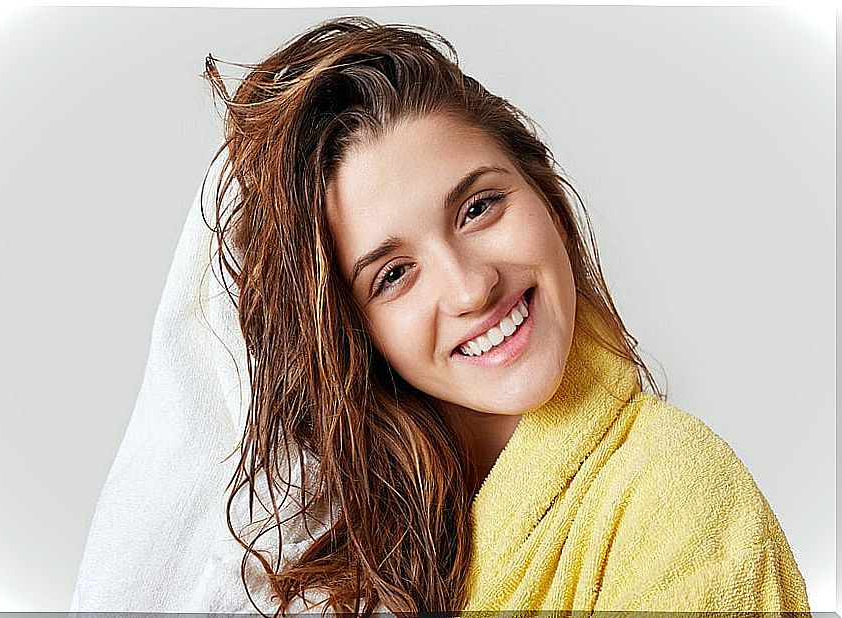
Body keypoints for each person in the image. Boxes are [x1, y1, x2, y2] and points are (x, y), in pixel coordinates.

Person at [72, 16, 810, 616]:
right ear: (351, 329)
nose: (468, 287)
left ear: (544, 195)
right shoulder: (340, 547)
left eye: (478, 206)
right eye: (392, 274)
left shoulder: (675, 500)